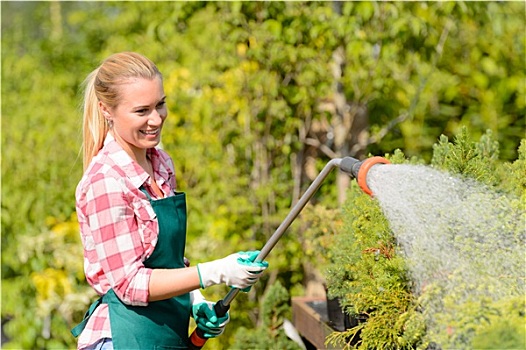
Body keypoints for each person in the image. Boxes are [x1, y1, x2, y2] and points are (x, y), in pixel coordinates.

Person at [71, 52, 268, 350]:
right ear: (106, 110)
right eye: (141, 111)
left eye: (160, 104)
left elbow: (165, 260)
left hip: (168, 333)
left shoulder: (161, 164)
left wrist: (195, 301)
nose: (156, 119)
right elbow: (128, 284)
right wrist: (213, 272)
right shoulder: (105, 181)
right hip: (124, 337)